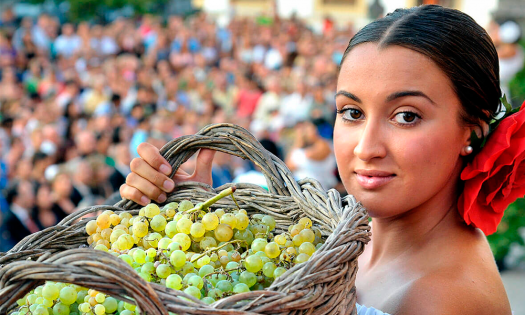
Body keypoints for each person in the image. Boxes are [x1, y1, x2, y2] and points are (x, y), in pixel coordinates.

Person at [120, 5, 518, 314]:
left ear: (473, 130)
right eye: (352, 112)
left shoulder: (441, 299)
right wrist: (190, 226)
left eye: (406, 116)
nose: (366, 147)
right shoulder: (342, 235)